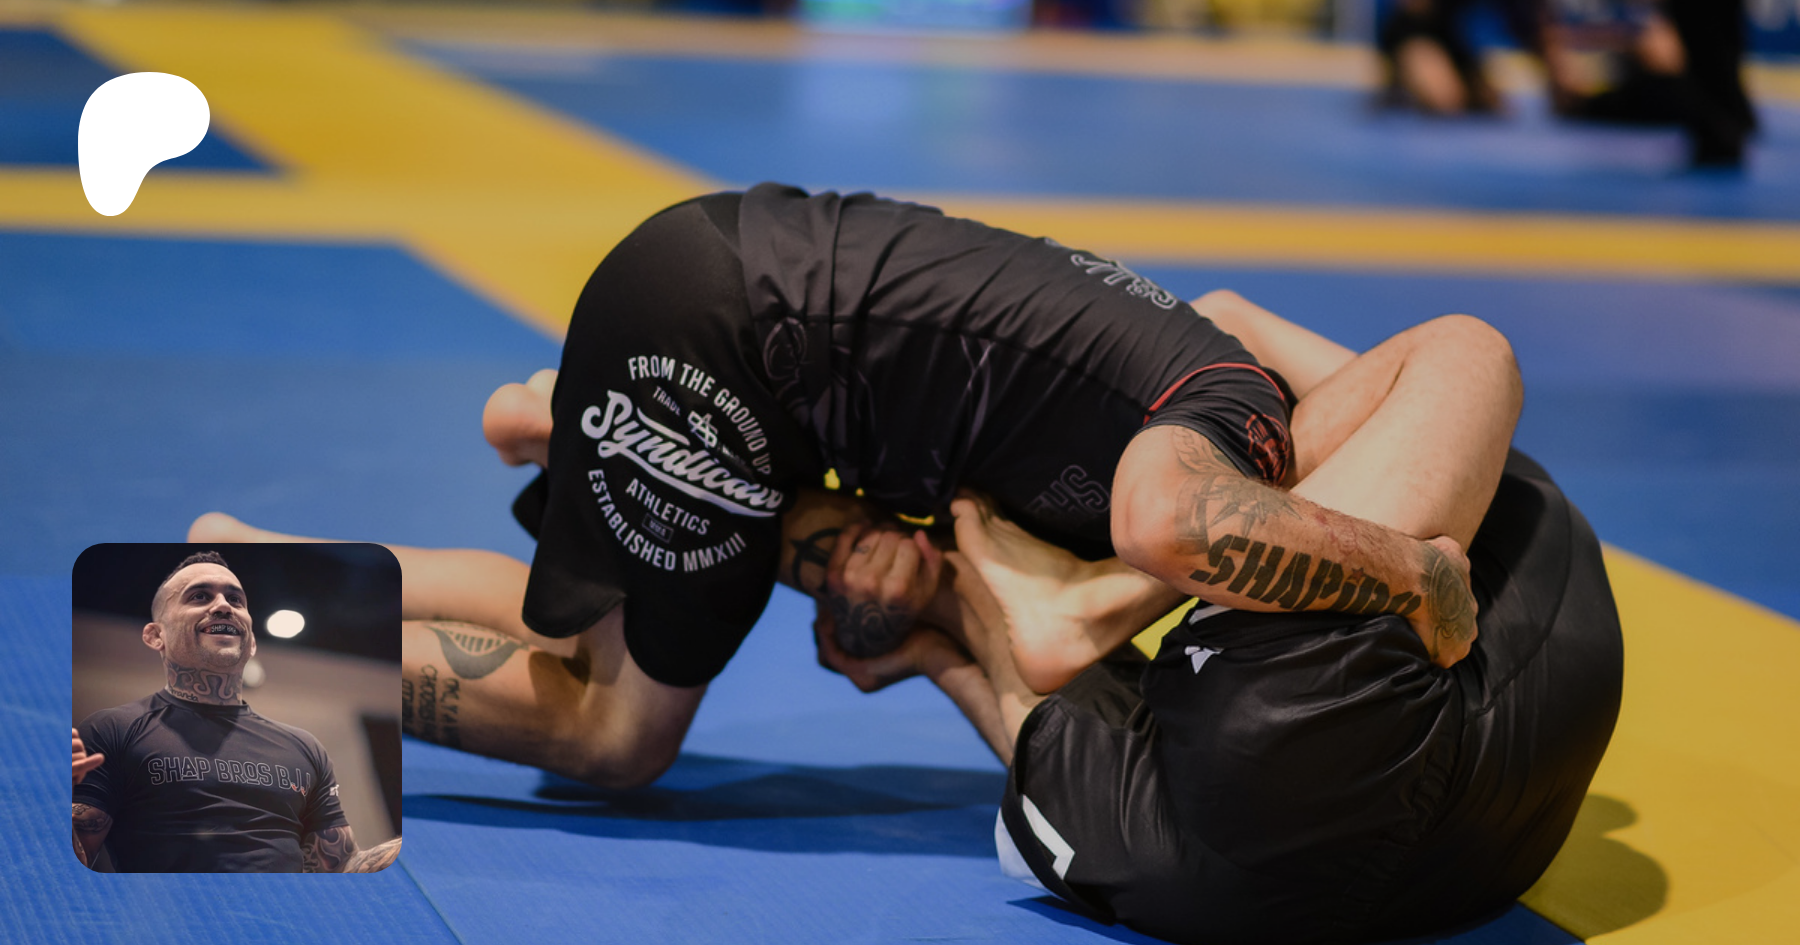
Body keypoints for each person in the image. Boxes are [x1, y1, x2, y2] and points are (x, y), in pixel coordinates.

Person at [192, 183, 1522, 791]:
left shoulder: (1208, 368)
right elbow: (1172, 524)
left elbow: (1225, 336)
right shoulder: (1237, 424)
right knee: (615, 738)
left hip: (723, 288)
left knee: (589, 636)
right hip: (734, 339)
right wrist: (1411, 572)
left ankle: (270, 557)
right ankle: (278, 653)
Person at [809, 298, 1623, 945]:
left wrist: (936, 656)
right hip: (1462, 838)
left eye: (830, 549)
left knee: (1078, 720)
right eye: (817, 565)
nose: (841, 571)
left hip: (1249, 891)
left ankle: (1088, 589)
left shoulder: (1144, 824)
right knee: (1465, 346)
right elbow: (1235, 320)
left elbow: (1045, 727)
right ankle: (1100, 591)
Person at [71, 551, 395, 872]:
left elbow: (341, 866)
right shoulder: (112, 730)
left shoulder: (305, 748)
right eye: (199, 596)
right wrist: (50, 802)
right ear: (156, 636)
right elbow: (69, 869)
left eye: (235, 599)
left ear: (251, 642)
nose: (223, 606)